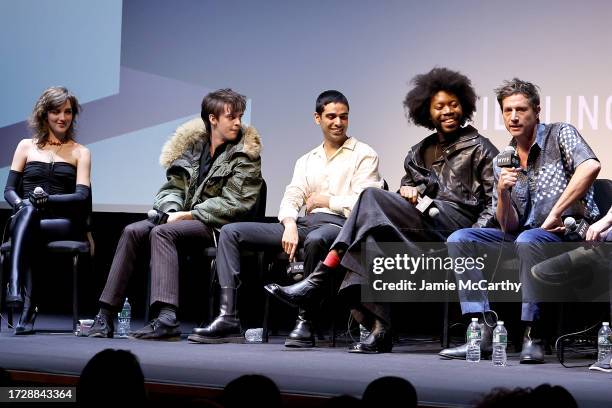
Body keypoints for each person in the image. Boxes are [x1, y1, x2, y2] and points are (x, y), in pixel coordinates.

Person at [266, 67, 498, 353]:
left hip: (458, 226)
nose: (448, 111)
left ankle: (320, 277)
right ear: (427, 111)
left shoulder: (481, 148)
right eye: (440, 106)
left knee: (370, 195)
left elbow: (494, 202)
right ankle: (380, 329)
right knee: (369, 240)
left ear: (464, 107)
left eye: (454, 104)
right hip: (423, 225)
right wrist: (409, 192)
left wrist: (471, 236)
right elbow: (403, 196)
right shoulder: (417, 152)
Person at [188, 90, 382, 346]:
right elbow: (292, 196)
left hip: (341, 227)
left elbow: (363, 202)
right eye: (332, 116)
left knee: (316, 240)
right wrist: (289, 223)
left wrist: (325, 200)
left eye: (343, 117)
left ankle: (306, 321)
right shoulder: (306, 160)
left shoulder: (364, 154)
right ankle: (229, 317)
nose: (338, 122)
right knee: (231, 232)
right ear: (317, 118)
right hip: (304, 224)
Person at [440, 78, 600, 363]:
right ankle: (481, 331)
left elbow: (591, 166)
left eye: (521, 109)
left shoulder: (559, 134)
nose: (514, 117)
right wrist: (502, 192)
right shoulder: (504, 158)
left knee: (529, 239)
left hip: (568, 234)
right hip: (524, 235)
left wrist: (554, 213)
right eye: (507, 110)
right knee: (460, 239)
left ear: (536, 110)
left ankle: (532, 333)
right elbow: (508, 226)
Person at [88, 89, 263, 340]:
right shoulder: (192, 148)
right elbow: (172, 188)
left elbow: (235, 203)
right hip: (183, 220)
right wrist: (171, 210)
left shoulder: (245, 153)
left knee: (162, 232)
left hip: (217, 225)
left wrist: (188, 215)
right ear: (213, 119)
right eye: (231, 117)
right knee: (132, 231)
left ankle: (166, 318)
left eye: (240, 116)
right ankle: (105, 316)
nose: (238, 122)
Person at [3, 86, 91, 335]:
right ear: (44, 114)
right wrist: (22, 205)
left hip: (61, 222)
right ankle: (26, 306)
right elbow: (9, 190)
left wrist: (48, 200)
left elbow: (81, 196)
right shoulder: (25, 146)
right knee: (28, 216)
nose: (62, 118)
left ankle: (16, 290)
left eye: (68, 112)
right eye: (56, 112)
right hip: (26, 217)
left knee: (29, 224)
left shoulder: (80, 152)